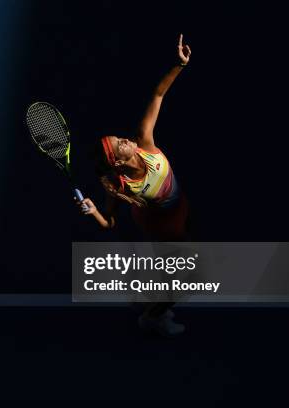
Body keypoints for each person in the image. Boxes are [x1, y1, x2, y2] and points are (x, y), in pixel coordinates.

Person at [76, 34, 192, 336]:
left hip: (176, 209)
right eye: (120, 145)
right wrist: (95, 212)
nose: (126, 140)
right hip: (161, 224)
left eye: (121, 138)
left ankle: (143, 295)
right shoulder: (119, 185)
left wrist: (178, 65)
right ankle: (152, 317)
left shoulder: (144, 141)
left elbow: (157, 95)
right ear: (116, 161)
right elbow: (110, 222)